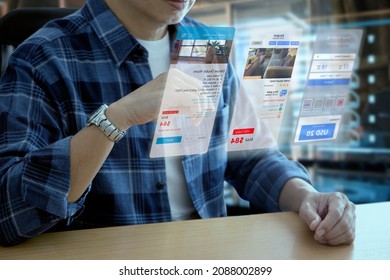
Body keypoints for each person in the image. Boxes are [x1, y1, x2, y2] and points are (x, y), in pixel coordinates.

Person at [0, 0, 355, 247]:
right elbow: (8, 213)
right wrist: (116, 119)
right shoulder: (42, 58)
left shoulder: (207, 46)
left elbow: (251, 156)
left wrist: (308, 198)